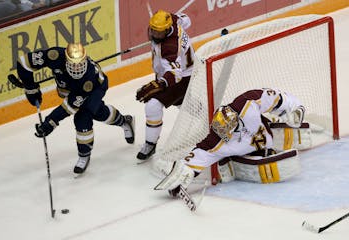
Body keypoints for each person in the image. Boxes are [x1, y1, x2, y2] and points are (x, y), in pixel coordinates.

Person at [154, 88, 306, 195]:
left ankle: (259, 150)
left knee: (267, 144)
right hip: (244, 150)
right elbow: (201, 153)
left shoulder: (247, 103)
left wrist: (296, 109)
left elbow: (277, 97)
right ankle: (229, 161)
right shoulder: (218, 139)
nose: (223, 134)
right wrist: (186, 171)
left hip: (265, 138)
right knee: (218, 153)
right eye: (221, 132)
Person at [16, 43, 135, 174]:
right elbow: (24, 62)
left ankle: (84, 154)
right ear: (66, 59)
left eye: (80, 64)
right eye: (73, 64)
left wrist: (50, 122)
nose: (77, 68)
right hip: (72, 89)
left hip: (95, 88)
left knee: (82, 117)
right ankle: (124, 121)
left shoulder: (87, 80)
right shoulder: (54, 56)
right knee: (98, 112)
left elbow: (69, 107)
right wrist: (30, 88)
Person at [136, 9, 195, 161]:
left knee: (153, 106)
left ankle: (150, 144)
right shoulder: (174, 20)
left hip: (182, 78)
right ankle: (205, 114)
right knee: (187, 104)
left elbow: (175, 74)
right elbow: (186, 19)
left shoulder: (169, 48)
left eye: (159, 33)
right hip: (188, 71)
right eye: (153, 30)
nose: (155, 35)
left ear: (167, 30)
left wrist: (160, 83)